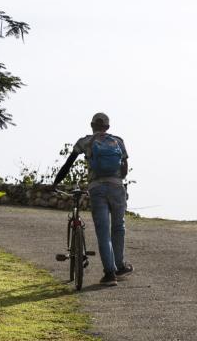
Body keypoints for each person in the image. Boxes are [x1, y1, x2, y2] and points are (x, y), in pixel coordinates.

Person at [51, 112, 133, 286]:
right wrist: (118, 177)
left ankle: (110, 274)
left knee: (103, 231)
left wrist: (55, 182)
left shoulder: (85, 142)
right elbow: (125, 167)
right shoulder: (118, 140)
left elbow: (68, 163)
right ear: (108, 127)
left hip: (96, 188)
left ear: (91, 125)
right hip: (117, 187)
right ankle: (120, 265)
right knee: (118, 227)